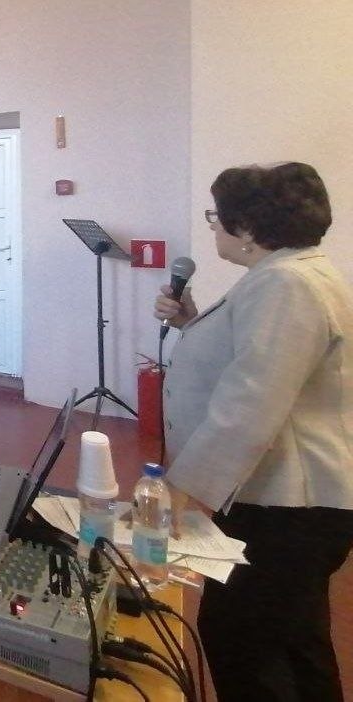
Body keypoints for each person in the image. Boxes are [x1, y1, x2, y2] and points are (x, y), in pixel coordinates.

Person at [153, 162, 353, 702]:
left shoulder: (286, 284)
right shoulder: (289, 275)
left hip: (287, 508)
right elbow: (253, 361)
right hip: (294, 505)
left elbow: (250, 402)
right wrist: (190, 322)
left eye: (216, 216)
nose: (213, 227)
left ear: (246, 226)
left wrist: (182, 490)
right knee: (295, 640)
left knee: (243, 641)